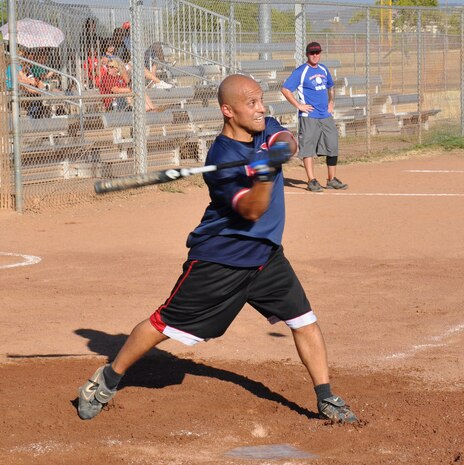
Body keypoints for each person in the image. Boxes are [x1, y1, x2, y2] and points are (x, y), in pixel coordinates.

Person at [77, 74, 358, 425]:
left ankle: (326, 397)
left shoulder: (263, 125)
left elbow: (284, 137)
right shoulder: (221, 161)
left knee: (304, 321)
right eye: (251, 103)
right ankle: (108, 379)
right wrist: (264, 175)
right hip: (221, 259)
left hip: (266, 257)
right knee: (164, 323)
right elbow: (253, 211)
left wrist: (279, 149)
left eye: (260, 100)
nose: (261, 108)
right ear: (228, 111)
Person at [281, 42, 348, 192]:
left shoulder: (323, 69)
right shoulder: (301, 71)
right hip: (309, 116)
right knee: (308, 148)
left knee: (332, 145)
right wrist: (299, 105)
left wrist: (331, 102)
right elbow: (285, 89)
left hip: (325, 115)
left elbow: (331, 86)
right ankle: (311, 180)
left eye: (317, 52)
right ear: (307, 54)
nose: (315, 55)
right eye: (312, 53)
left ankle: (331, 179)